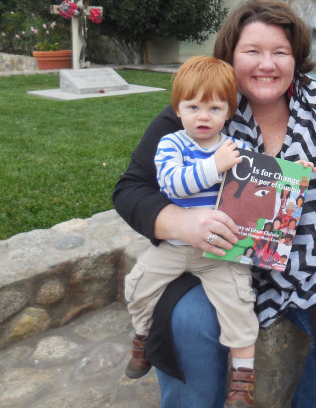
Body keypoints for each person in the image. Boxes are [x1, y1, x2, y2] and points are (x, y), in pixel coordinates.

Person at [113, 0, 316, 407]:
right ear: (230, 55)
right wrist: (183, 224)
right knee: (187, 323)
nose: (267, 64)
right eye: (252, 52)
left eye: (280, 52)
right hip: (215, 258)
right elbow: (132, 189)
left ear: (296, 58)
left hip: (308, 260)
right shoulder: (200, 112)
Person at [123, 55, 264, 406]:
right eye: (194, 106)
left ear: (229, 112)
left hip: (219, 252)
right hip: (172, 245)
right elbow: (172, 186)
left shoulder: (236, 149)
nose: (204, 116)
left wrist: (292, 175)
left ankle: (242, 379)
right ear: (178, 108)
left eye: (215, 108)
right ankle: (141, 338)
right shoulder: (172, 144)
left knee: (239, 304)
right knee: (139, 286)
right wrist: (214, 166)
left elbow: (261, 185)